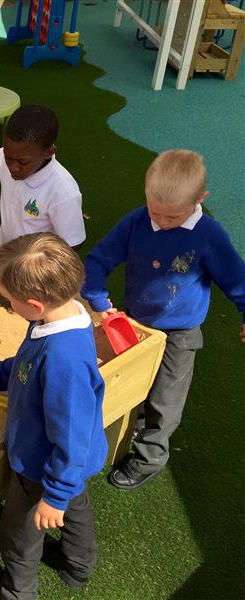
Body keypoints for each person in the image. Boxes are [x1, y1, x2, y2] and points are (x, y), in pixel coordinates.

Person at [82, 149, 245, 490]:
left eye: (170, 217)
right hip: (136, 322)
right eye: (154, 211)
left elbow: (237, 280)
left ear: (200, 199)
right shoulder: (137, 221)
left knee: (165, 398)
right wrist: (98, 298)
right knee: (122, 379)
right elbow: (98, 259)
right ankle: (114, 431)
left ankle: (149, 456)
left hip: (180, 331)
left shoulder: (209, 236)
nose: (160, 222)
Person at [0, 233, 106, 600]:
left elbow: (71, 436)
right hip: (71, 465)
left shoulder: (63, 361)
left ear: (35, 305)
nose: (6, 304)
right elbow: (26, 364)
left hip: (42, 463)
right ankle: (78, 565)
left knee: (19, 534)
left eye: (8, 299)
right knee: (76, 504)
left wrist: (53, 494)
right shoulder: (62, 317)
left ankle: (16, 592)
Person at [0, 104, 85, 249]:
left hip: (34, 267)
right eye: (8, 159)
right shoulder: (9, 156)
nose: (13, 168)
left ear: (49, 152)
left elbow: (74, 243)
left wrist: (40, 263)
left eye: (23, 162)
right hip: (4, 250)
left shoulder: (63, 191)